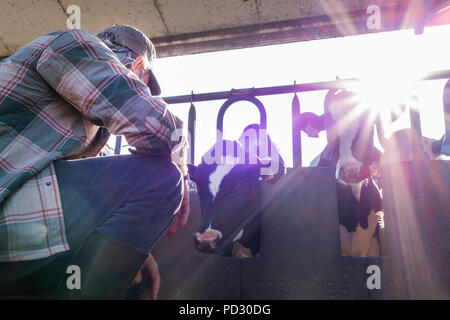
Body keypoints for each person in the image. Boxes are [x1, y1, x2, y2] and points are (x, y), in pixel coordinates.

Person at [0, 25, 190, 299]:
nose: (142, 91)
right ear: (136, 66)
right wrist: (181, 169)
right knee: (162, 179)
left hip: (15, 220)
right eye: (143, 84)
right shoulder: (73, 42)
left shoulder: (70, 121)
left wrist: (133, 251)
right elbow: (158, 128)